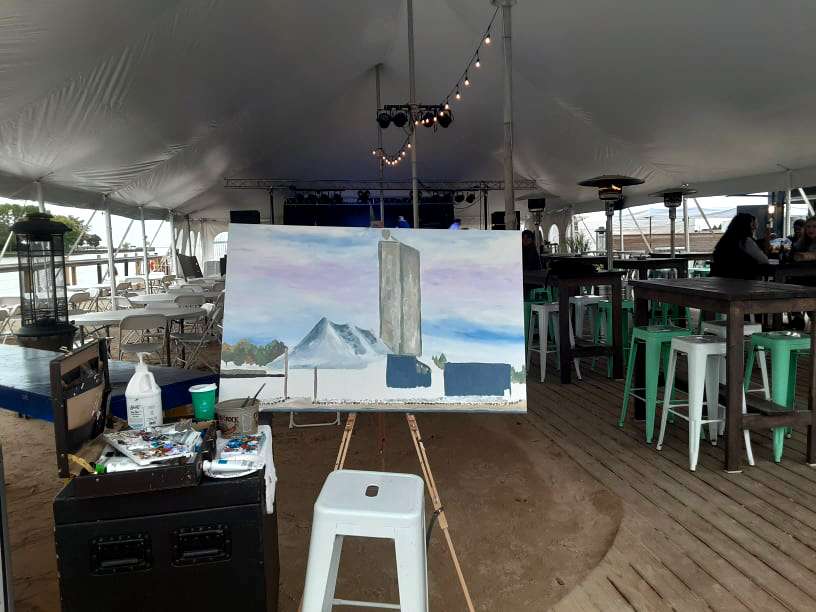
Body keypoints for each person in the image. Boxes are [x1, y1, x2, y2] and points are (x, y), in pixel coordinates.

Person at [710, 212, 768, 279]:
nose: (754, 227)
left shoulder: (724, 240)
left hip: (720, 280)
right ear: (746, 225)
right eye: (752, 224)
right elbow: (764, 260)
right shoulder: (745, 241)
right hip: (741, 281)